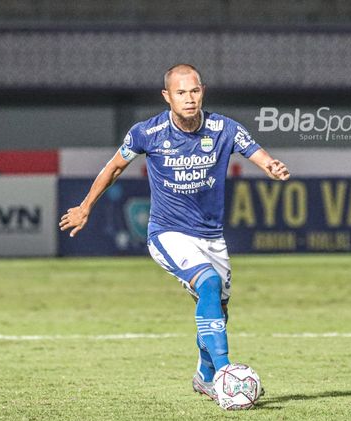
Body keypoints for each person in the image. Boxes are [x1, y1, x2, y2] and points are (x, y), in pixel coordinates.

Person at [59, 64, 289, 402]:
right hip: (168, 233)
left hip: (211, 237)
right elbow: (113, 168)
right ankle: (226, 376)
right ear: (167, 97)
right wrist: (85, 207)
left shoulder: (224, 128)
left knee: (216, 310)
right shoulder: (146, 133)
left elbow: (255, 151)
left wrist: (271, 165)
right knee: (208, 283)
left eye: (194, 91)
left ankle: (205, 375)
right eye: (181, 92)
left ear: (203, 92)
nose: (189, 98)